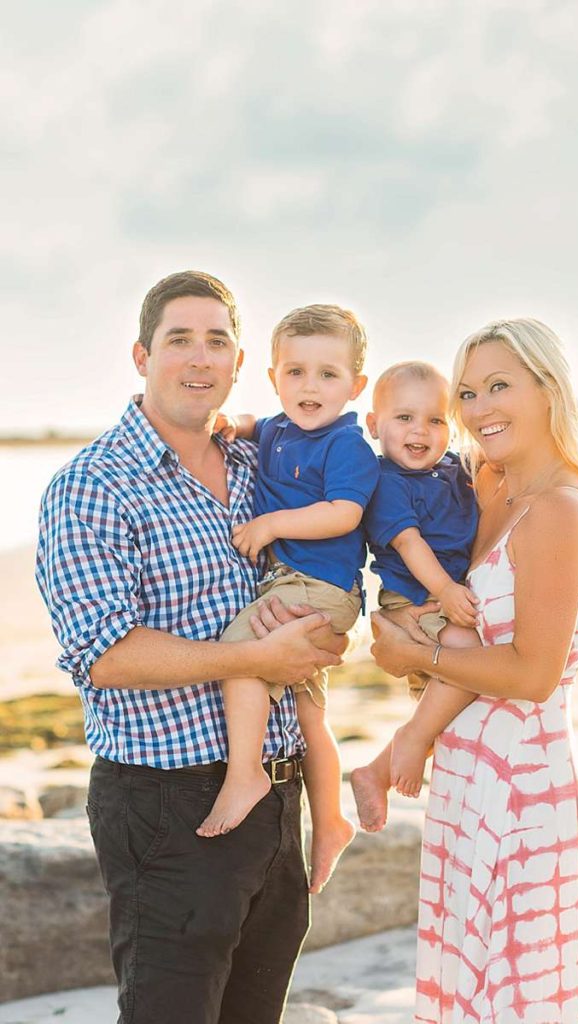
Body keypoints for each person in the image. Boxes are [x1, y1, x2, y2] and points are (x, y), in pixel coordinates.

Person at [35, 271, 347, 1024]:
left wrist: (323, 636)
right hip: (169, 806)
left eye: (217, 341)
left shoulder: (260, 468)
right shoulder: (93, 486)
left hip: (278, 794)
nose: (198, 358)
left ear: (240, 364)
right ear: (141, 355)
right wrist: (253, 661)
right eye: (180, 339)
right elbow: (103, 653)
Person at [369, 318, 578, 1023]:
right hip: (463, 773)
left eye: (499, 387)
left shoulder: (562, 511)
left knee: (521, 989)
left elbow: (533, 673)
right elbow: (379, 468)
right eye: (468, 393)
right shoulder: (485, 485)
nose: (477, 410)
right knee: (466, 980)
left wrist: (411, 654)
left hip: (522, 783)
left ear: (548, 389)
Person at [196, 304, 379, 898]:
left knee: (241, 650)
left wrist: (272, 525)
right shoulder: (276, 428)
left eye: (328, 374)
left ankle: (244, 772)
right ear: (274, 377)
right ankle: (329, 821)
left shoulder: (347, 443)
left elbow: (344, 513)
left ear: (356, 385)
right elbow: (253, 427)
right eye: (295, 372)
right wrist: (232, 423)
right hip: (296, 586)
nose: (310, 386)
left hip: (320, 587)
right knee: (308, 714)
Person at [350, 361, 480, 833]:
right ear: (374, 426)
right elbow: (409, 543)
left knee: (444, 704)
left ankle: (376, 772)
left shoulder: (455, 470)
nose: (419, 431)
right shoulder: (386, 481)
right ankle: (405, 743)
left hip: (443, 602)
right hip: (413, 602)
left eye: (435, 419)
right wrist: (445, 590)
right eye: (404, 418)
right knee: (466, 661)